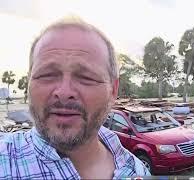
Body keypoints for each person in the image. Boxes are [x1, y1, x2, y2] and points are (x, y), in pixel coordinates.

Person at [0, 17, 150, 179]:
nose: (64, 92)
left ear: (113, 90)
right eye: (47, 75)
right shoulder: (5, 159)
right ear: (29, 83)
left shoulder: (138, 171)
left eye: (86, 77)